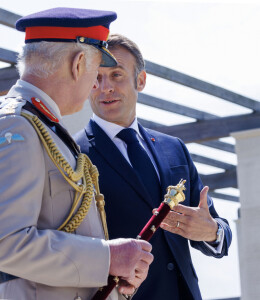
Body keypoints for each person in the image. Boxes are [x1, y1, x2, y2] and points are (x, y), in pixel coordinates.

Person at [0, 10, 154, 300]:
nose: (96, 85)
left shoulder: (42, 127)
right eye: (96, 71)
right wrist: (107, 258)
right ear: (79, 64)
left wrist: (111, 273)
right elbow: (3, 244)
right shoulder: (16, 126)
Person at [75, 34, 232, 300]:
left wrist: (212, 231)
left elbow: (220, 231)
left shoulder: (174, 149)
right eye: (96, 78)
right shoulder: (74, 154)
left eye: (116, 75)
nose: (105, 88)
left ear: (141, 80)